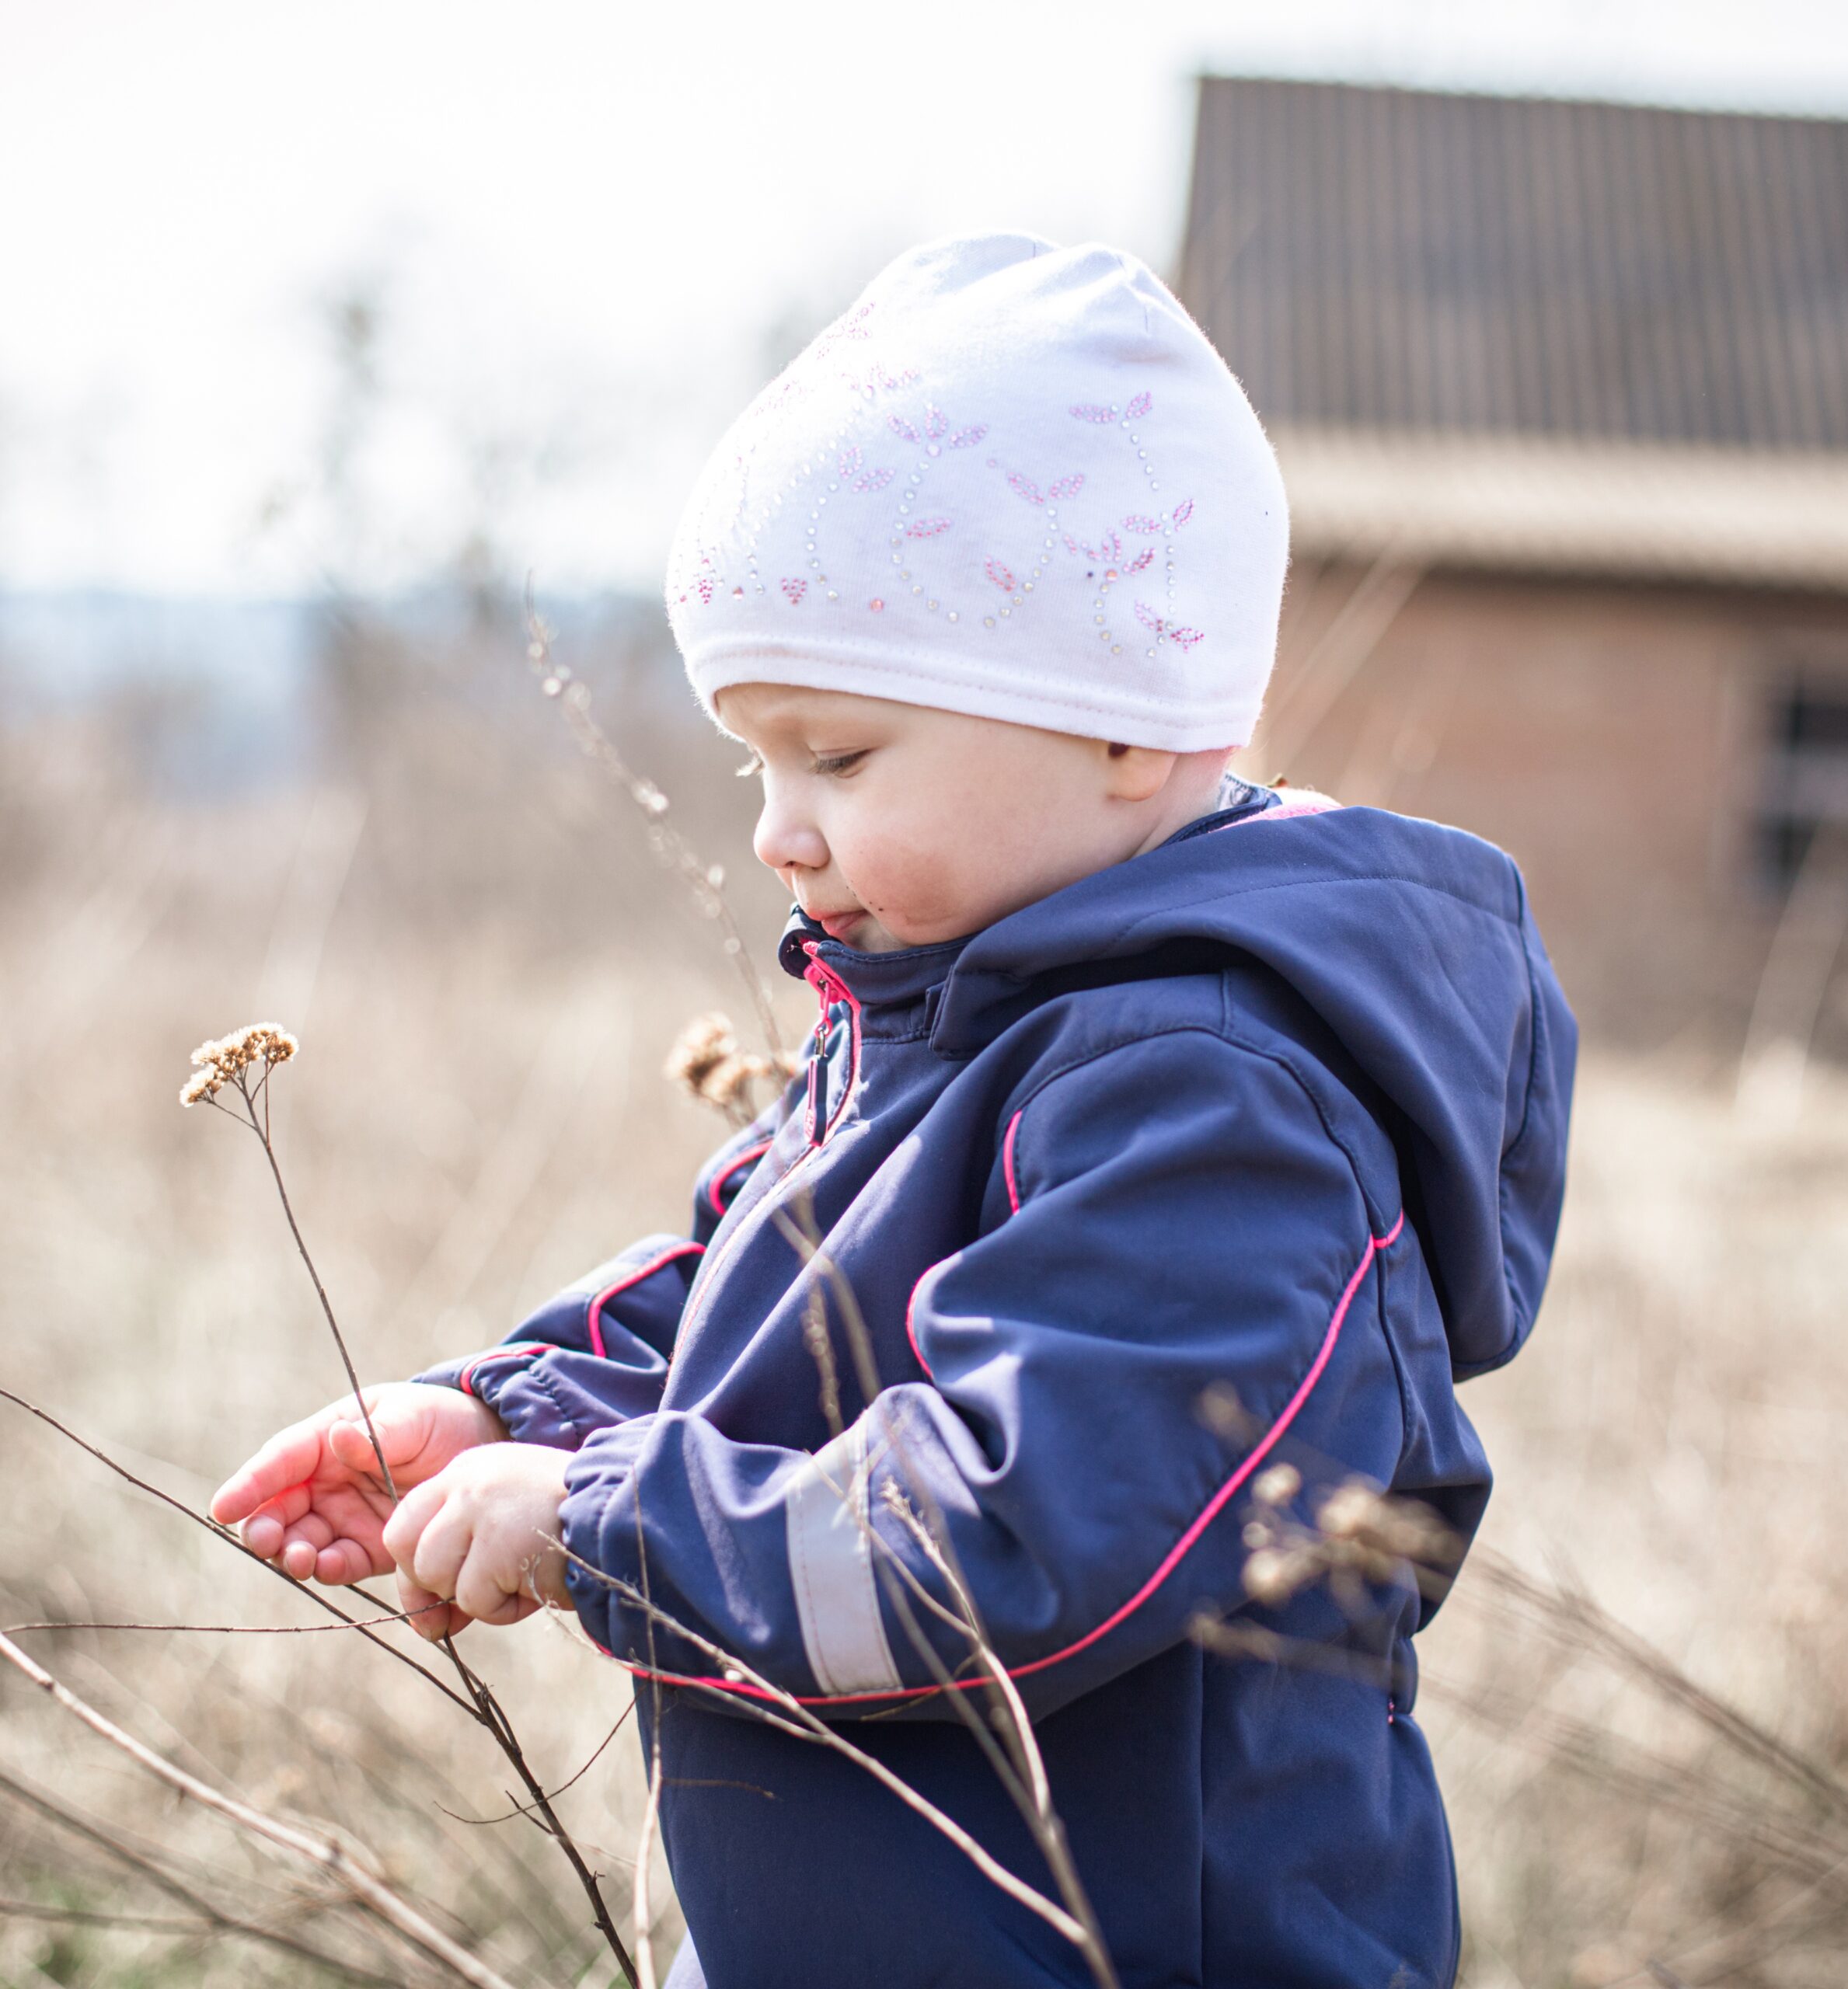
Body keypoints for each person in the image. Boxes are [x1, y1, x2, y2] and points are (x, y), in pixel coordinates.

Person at [211, 234, 1577, 1989]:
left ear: (1124, 723)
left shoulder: (1211, 1093)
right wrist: (506, 1406)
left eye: (839, 756)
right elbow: (766, 1309)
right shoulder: (941, 1013)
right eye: (754, 759)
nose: (775, 828)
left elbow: (1023, 1534)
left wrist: (605, 1520)